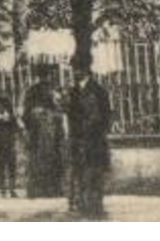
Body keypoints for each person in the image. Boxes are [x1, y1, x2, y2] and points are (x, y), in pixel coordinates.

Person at [67, 66, 114, 219]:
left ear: (86, 71)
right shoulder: (73, 91)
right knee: (80, 172)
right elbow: (70, 115)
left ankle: (96, 204)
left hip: (94, 139)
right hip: (78, 138)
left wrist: (99, 132)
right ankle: (83, 204)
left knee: (95, 172)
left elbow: (106, 115)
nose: (74, 72)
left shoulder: (99, 91)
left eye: (77, 69)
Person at [21, 64, 65, 198]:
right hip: (42, 131)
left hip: (44, 131)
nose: (47, 78)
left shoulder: (34, 90)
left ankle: (44, 189)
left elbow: (26, 113)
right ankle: (50, 189)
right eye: (46, 75)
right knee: (46, 159)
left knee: (42, 160)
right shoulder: (44, 90)